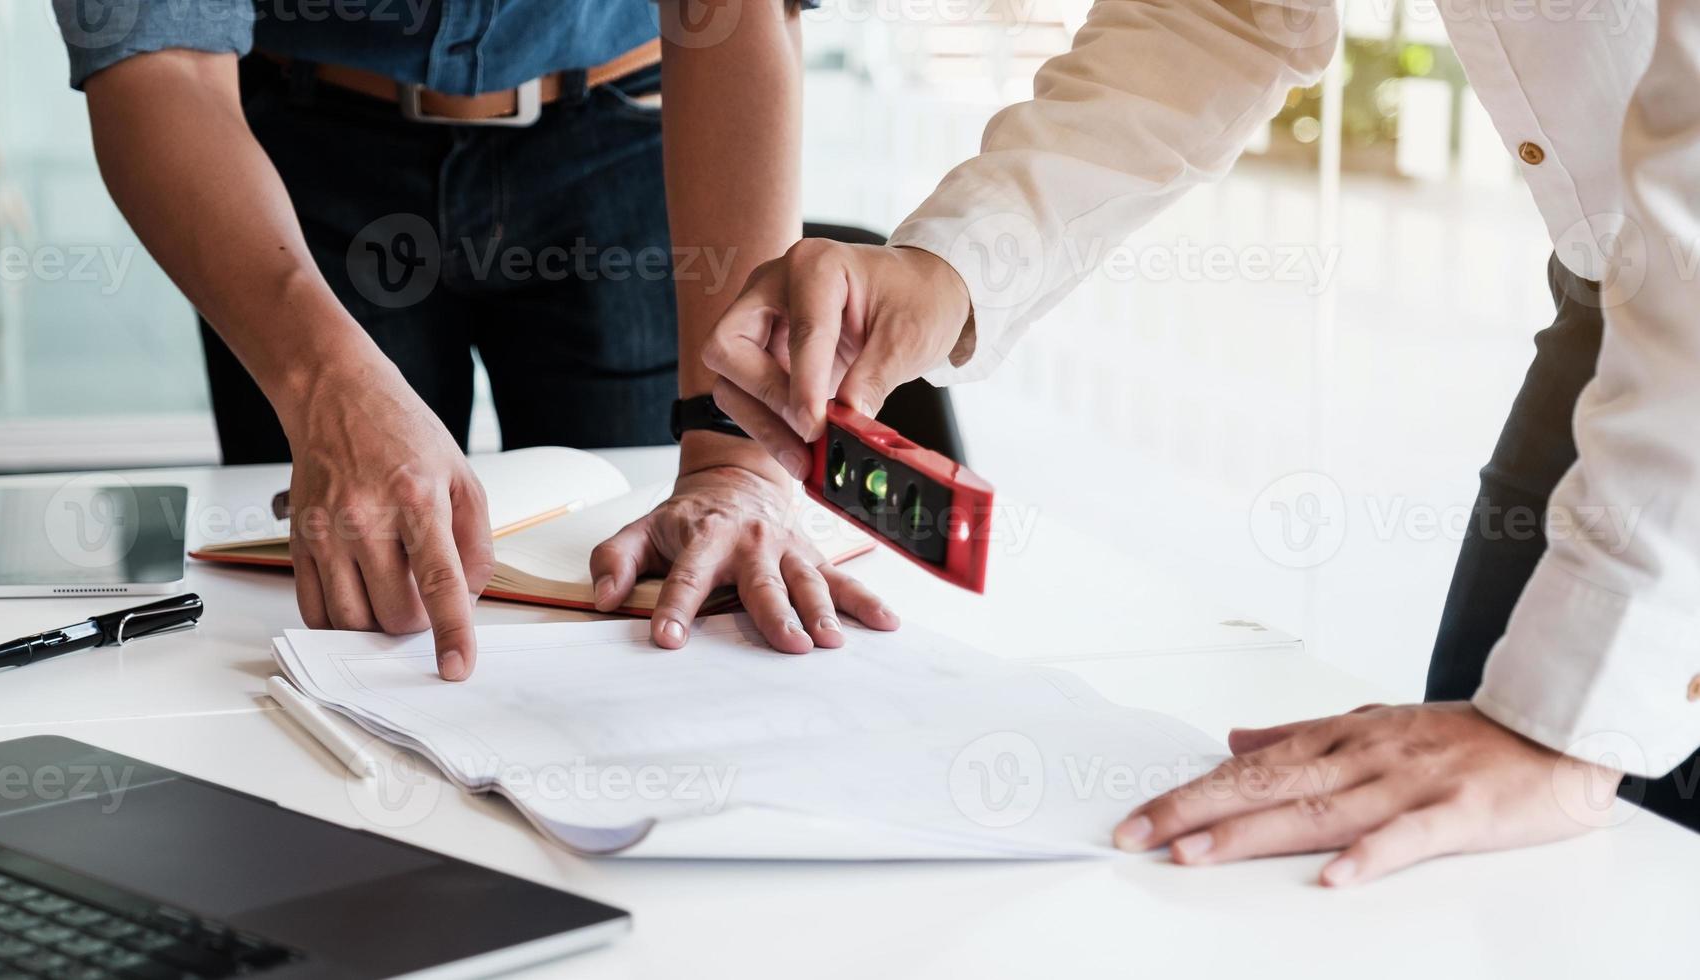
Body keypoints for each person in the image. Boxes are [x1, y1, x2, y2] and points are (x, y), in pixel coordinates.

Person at [701, 0, 1700, 881]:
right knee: (1440, 856)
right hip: (1617, 299)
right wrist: (952, 264)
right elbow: (1220, 11)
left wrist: (1564, 717)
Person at [48, 0, 898, 681]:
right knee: (344, 607)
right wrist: (319, 381)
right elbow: (162, 55)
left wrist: (735, 464)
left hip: (633, 134)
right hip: (293, 155)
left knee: (664, 612)